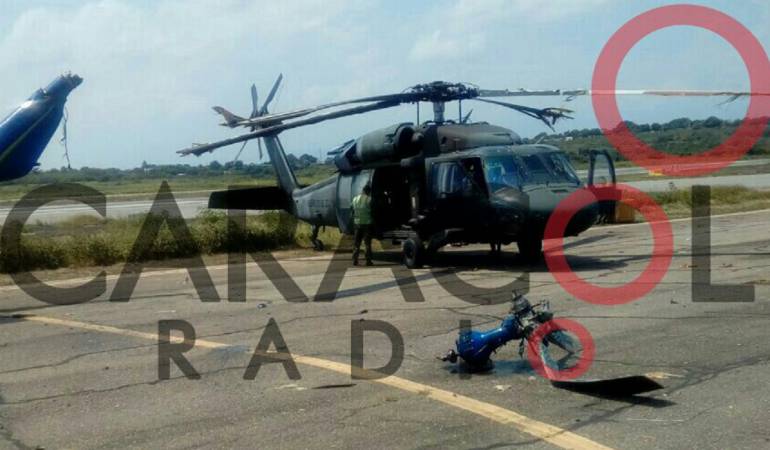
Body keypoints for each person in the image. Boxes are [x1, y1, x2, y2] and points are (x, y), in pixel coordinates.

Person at [351, 182, 374, 266]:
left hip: (357, 224)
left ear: (363, 191)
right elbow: (373, 211)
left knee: (356, 243)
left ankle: (355, 260)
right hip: (367, 224)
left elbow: (352, 210)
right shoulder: (369, 199)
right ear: (368, 192)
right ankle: (368, 261)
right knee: (367, 243)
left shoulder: (355, 199)